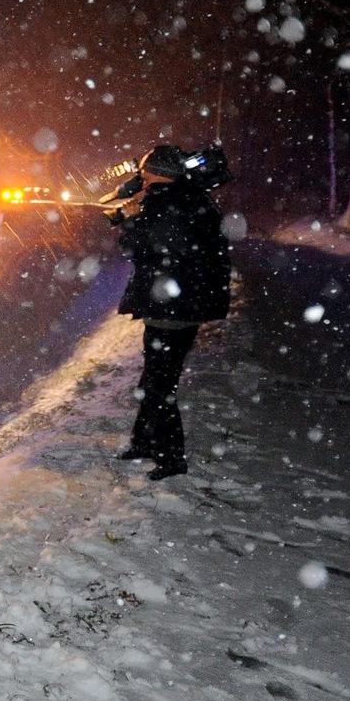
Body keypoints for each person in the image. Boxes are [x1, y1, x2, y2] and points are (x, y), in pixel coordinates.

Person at [106, 145, 231, 480]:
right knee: (154, 378)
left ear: (153, 172)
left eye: (144, 171)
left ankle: (171, 458)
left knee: (160, 385)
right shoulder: (189, 197)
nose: (140, 177)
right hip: (183, 302)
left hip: (172, 306)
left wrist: (132, 221)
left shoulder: (167, 202)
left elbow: (144, 249)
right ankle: (144, 442)